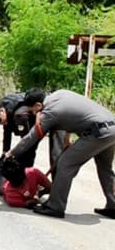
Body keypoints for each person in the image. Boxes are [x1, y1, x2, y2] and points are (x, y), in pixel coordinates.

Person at [7, 88, 115, 219]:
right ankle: (113, 206)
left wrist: (11, 153)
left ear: (38, 105)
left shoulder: (49, 111)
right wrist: (66, 139)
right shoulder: (60, 94)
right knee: (105, 168)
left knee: (65, 164)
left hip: (98, 132)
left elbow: (32, 137)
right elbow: (72, 114)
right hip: (111, 127)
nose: (33, 113)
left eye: (32, 110)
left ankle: (55, 207)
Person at [0, 94, 37, 167]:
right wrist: (5, 153)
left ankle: (27, 175)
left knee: (26, 155)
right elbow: (7, 134)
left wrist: (12, 153)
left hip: (43, 123)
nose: (1, 124)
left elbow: (27, 141)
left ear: (1, 110)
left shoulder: (19, 116)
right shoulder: (4, 110)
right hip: (27, 126)